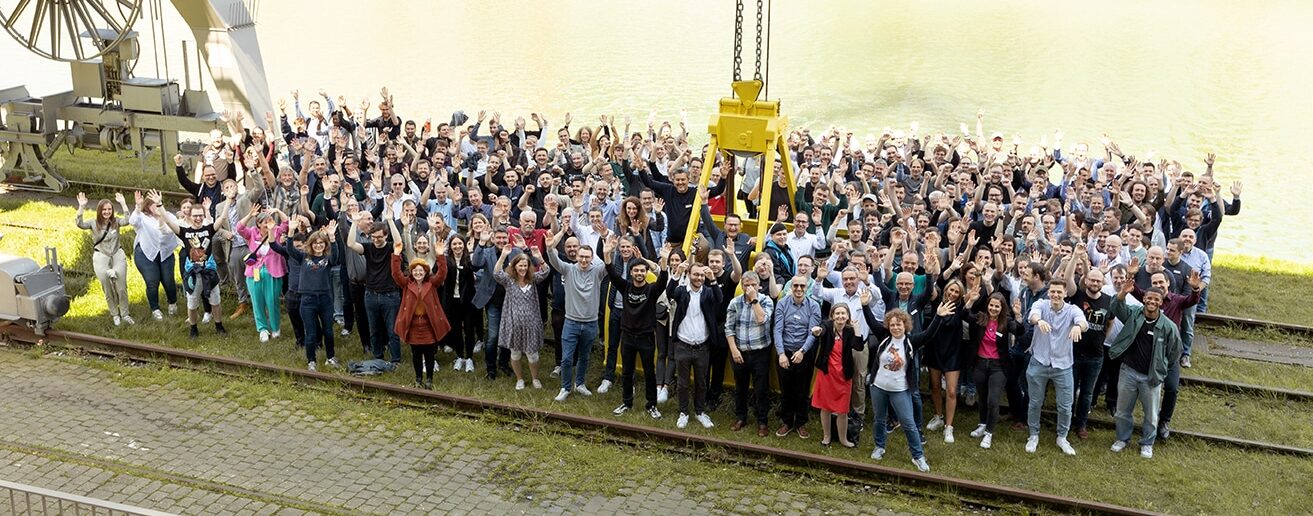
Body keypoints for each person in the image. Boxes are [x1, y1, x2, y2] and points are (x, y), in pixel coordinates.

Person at [1109, 279, 1182, 459]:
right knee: (1122, 410)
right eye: (1148, 298)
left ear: (1161, 301)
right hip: (1128, 372)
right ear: (1144, 299)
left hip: (1151, 377)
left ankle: (1147, 443)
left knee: (1151, 415)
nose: (1151, 302)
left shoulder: (1168, 327)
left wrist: (1161, 368)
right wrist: (1123, 293)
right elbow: (1115, 307)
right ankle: (1122, 438)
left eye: (1156, 299)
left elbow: (1174, 353)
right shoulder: (1134, 314)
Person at [870, 306, 948, 473]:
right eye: (892, 325)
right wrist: (864, 305)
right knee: (879, 419)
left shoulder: (911, 341)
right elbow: (870, 320)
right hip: (878, 387)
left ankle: (918, 456)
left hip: (900, 389)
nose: (895, 328)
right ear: (888, 326)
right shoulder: (884, 338)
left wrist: (938, 317)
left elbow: (929, 335)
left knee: (909, 423)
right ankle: (879, 446)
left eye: (899, 324)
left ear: (905, 325)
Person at [603, 236, 667, 419]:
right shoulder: (625, 287)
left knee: (649, 373)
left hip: (646, 338)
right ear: (631, 273)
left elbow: (663, 280)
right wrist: (607, 253)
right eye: (636, 270)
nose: (639, 273)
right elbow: (612, 274)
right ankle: (626, 402)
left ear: (646, 272)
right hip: (628, 337)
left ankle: (651, 405)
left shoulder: (652, 290)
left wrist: (663, 260)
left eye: (642, 271)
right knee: (626, 372)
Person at [1025, 279, 1089, 455]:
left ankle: (1062, 436)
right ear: (1048, 292)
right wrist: (1039, 321)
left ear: (1065, 294)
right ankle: (1033, 434)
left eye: (1059, 292)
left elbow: (1083, 322)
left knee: (1065, 405)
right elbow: (1032, 315)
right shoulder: (1041, 304)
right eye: (1053, 292)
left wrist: (1078, 327)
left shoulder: (1072, 310)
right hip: (1039, 361)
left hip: (1063, 365)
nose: (1055, 295)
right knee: (1035, 402)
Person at [547, 226, 608, 401]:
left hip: (590, 323)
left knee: (584, 356)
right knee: (566, 359)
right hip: (571, 322)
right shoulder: (569, 269)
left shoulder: (598, 271)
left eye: (587, 257)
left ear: (591, 259)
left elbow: (609, 262)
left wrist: (606, 243)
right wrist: (550, 248)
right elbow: (555, 262)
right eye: (581, 256)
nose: (583, 259)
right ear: (577, 256)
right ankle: (565, 387)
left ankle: (579, 384)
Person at [277, 219, 341, 370]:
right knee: (311, 333)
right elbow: (291, 250)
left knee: (328, 331)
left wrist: (332, 238)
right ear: (310, 244)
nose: (318, 245)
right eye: (315, 243)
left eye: (321, 243)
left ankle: (330, 357)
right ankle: (311, 360)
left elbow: (336, 256)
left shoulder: (327, 258)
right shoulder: (303, 257)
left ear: (325, 245)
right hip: (307, 300)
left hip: (325, 299)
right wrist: (291, 233)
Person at [667, 263, 723, 429]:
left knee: (701, 382)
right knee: (683, 383)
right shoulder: (682, 291)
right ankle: (683, 412)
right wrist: (677, 274)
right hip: (683, 345)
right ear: (689, 275)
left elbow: (719, 299)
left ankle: (700, 412)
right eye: (695, 275)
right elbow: (669, 292)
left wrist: (712, 279)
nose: (699, 278)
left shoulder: (707, 292)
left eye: (701, 275)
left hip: (702, 347)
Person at [966, 293, 1024, 449]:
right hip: (980, 363)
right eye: (991, 305)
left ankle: (989, 433)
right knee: (983, 397)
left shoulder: (1006, 322)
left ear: (1002, 308)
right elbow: (965, 315)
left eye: (997, 306)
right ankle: (982, 424)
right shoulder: (981, 319)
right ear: (987, 305)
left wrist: (1018, 315)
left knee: (993, 400)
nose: (993, 308)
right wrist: (970, 301)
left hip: (998, 366)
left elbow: (1019, 331)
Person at [492, 234, 551, 390]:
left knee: (533, 355)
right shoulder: (509, 281)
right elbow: (496, 273)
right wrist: (503, 255)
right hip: (514, 324)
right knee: (516, 354)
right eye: (520, 265)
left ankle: (535, 379)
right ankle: (520, 379)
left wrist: (539, 257)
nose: (523, 268)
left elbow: (546, 272)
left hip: (531, 324)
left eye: (525, 265)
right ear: (515, 266)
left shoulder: (533, 279)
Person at [392, 235, 451, 388]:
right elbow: (396, 274)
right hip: (413, 324)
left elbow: (442, 273)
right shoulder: (406, 283)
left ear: (425, 272)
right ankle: (418, 379)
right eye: (415, 270)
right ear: (412, 272)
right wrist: (396, 255)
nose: (418, 273)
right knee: (416, 354)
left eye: (421, 271)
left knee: (430, 354)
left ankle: (429, 379)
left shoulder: (432, 283)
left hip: (428, 324)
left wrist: (440, 255)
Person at [347, 213, 405, 363]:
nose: (376, 240)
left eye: (380, 237)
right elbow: (351, 244)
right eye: (373, 237)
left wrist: (391, 220)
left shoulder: (391, 248)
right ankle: (377, 357)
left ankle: (396, 360)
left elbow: (399, 243)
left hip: (390, 295)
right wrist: (354, 223)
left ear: (386, 236)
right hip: (370, 294)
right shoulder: (367, 247)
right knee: (374, 330)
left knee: (392, 331)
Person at [725, 271, 776, 437]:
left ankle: (762, 421)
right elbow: (729, 327)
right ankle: (741, 417)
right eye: (746, 285)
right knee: (740, 387)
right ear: (741, 285)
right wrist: (733, 349)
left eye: (753, 285)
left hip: (760, 351)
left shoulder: (766, 300)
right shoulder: (734, 303)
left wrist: (754, 299)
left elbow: (762, 319)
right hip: (740, 351)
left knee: (761, 388)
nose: (749, 288)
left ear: (759, 286)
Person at [773, 275, 822, 438]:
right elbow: (777, 329)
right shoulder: (782, 304)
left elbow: (813, 332)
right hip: (785, 351)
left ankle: (801, 423)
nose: (799, 289)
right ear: (791, 287)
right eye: (796, 286)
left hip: (804, 352)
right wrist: (781, 354)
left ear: (807, 288)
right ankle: (787, 421)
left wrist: (802, 351)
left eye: (802, 286)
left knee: (802, 390)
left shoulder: (814, 306)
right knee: (786, 388)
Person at [810, 303, 866, 448]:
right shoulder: (827, 326)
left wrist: (857, 328)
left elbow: (859, 347)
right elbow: (820, 330)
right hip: (827, 374)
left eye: (843, 313)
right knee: (825, 407)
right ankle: (826, 436)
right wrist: (817, 331)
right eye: (837, 313)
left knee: (842, 409)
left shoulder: (849, 331)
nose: (840, 316)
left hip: (844, 375)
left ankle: (843, 439)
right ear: (832, 316)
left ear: (847, 316)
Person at [75, 192, 134, 326]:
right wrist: (81, 207)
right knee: (106, 285)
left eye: (109, 209)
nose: (107, 212)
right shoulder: (93, 223)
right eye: (104, 209)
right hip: (101, 254)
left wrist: (123, 203)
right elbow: (79, 224)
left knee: (121, 287)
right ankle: (115, 314)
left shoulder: (116, 222)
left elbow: (128, 220)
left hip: (117, 253)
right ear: (100, 211)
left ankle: (125, 314)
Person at [236, 204, 290, 342]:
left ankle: (275, 327)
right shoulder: (252, 233)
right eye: (265, 222)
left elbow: (287, 223)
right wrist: (249, 215)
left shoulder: (277, 231)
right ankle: (263, 329)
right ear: (259, 224)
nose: (268, 224)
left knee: (272, 301)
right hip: (254, 272)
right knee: (257, 302)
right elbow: (239, 228)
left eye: (270, 220)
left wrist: (277, 210)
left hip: (274, 272)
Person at [128, 190, 180, 320]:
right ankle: (155, 309)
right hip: (146, 253)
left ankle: (172, 303)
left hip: (165, 253)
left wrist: (162, 216)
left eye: (158, 204)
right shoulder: (143, 217)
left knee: (168, 281)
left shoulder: (170, 217)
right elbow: (133, 221)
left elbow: (167, 233)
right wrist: (138, 207)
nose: (156, 207)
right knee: (152, 281)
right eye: (153, 205)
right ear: (148, 207)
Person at [441, 234, 479, 373]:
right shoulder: (446, 260)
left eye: (460, 244)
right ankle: (459, 356)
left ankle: (469, 357)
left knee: (469, 330)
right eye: (454, 244)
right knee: (455, 329)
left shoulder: (468, 259)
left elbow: (472, 272)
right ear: (450, 247)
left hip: (467, 301)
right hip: (452, 301)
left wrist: (470, 254)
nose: (457, 247)